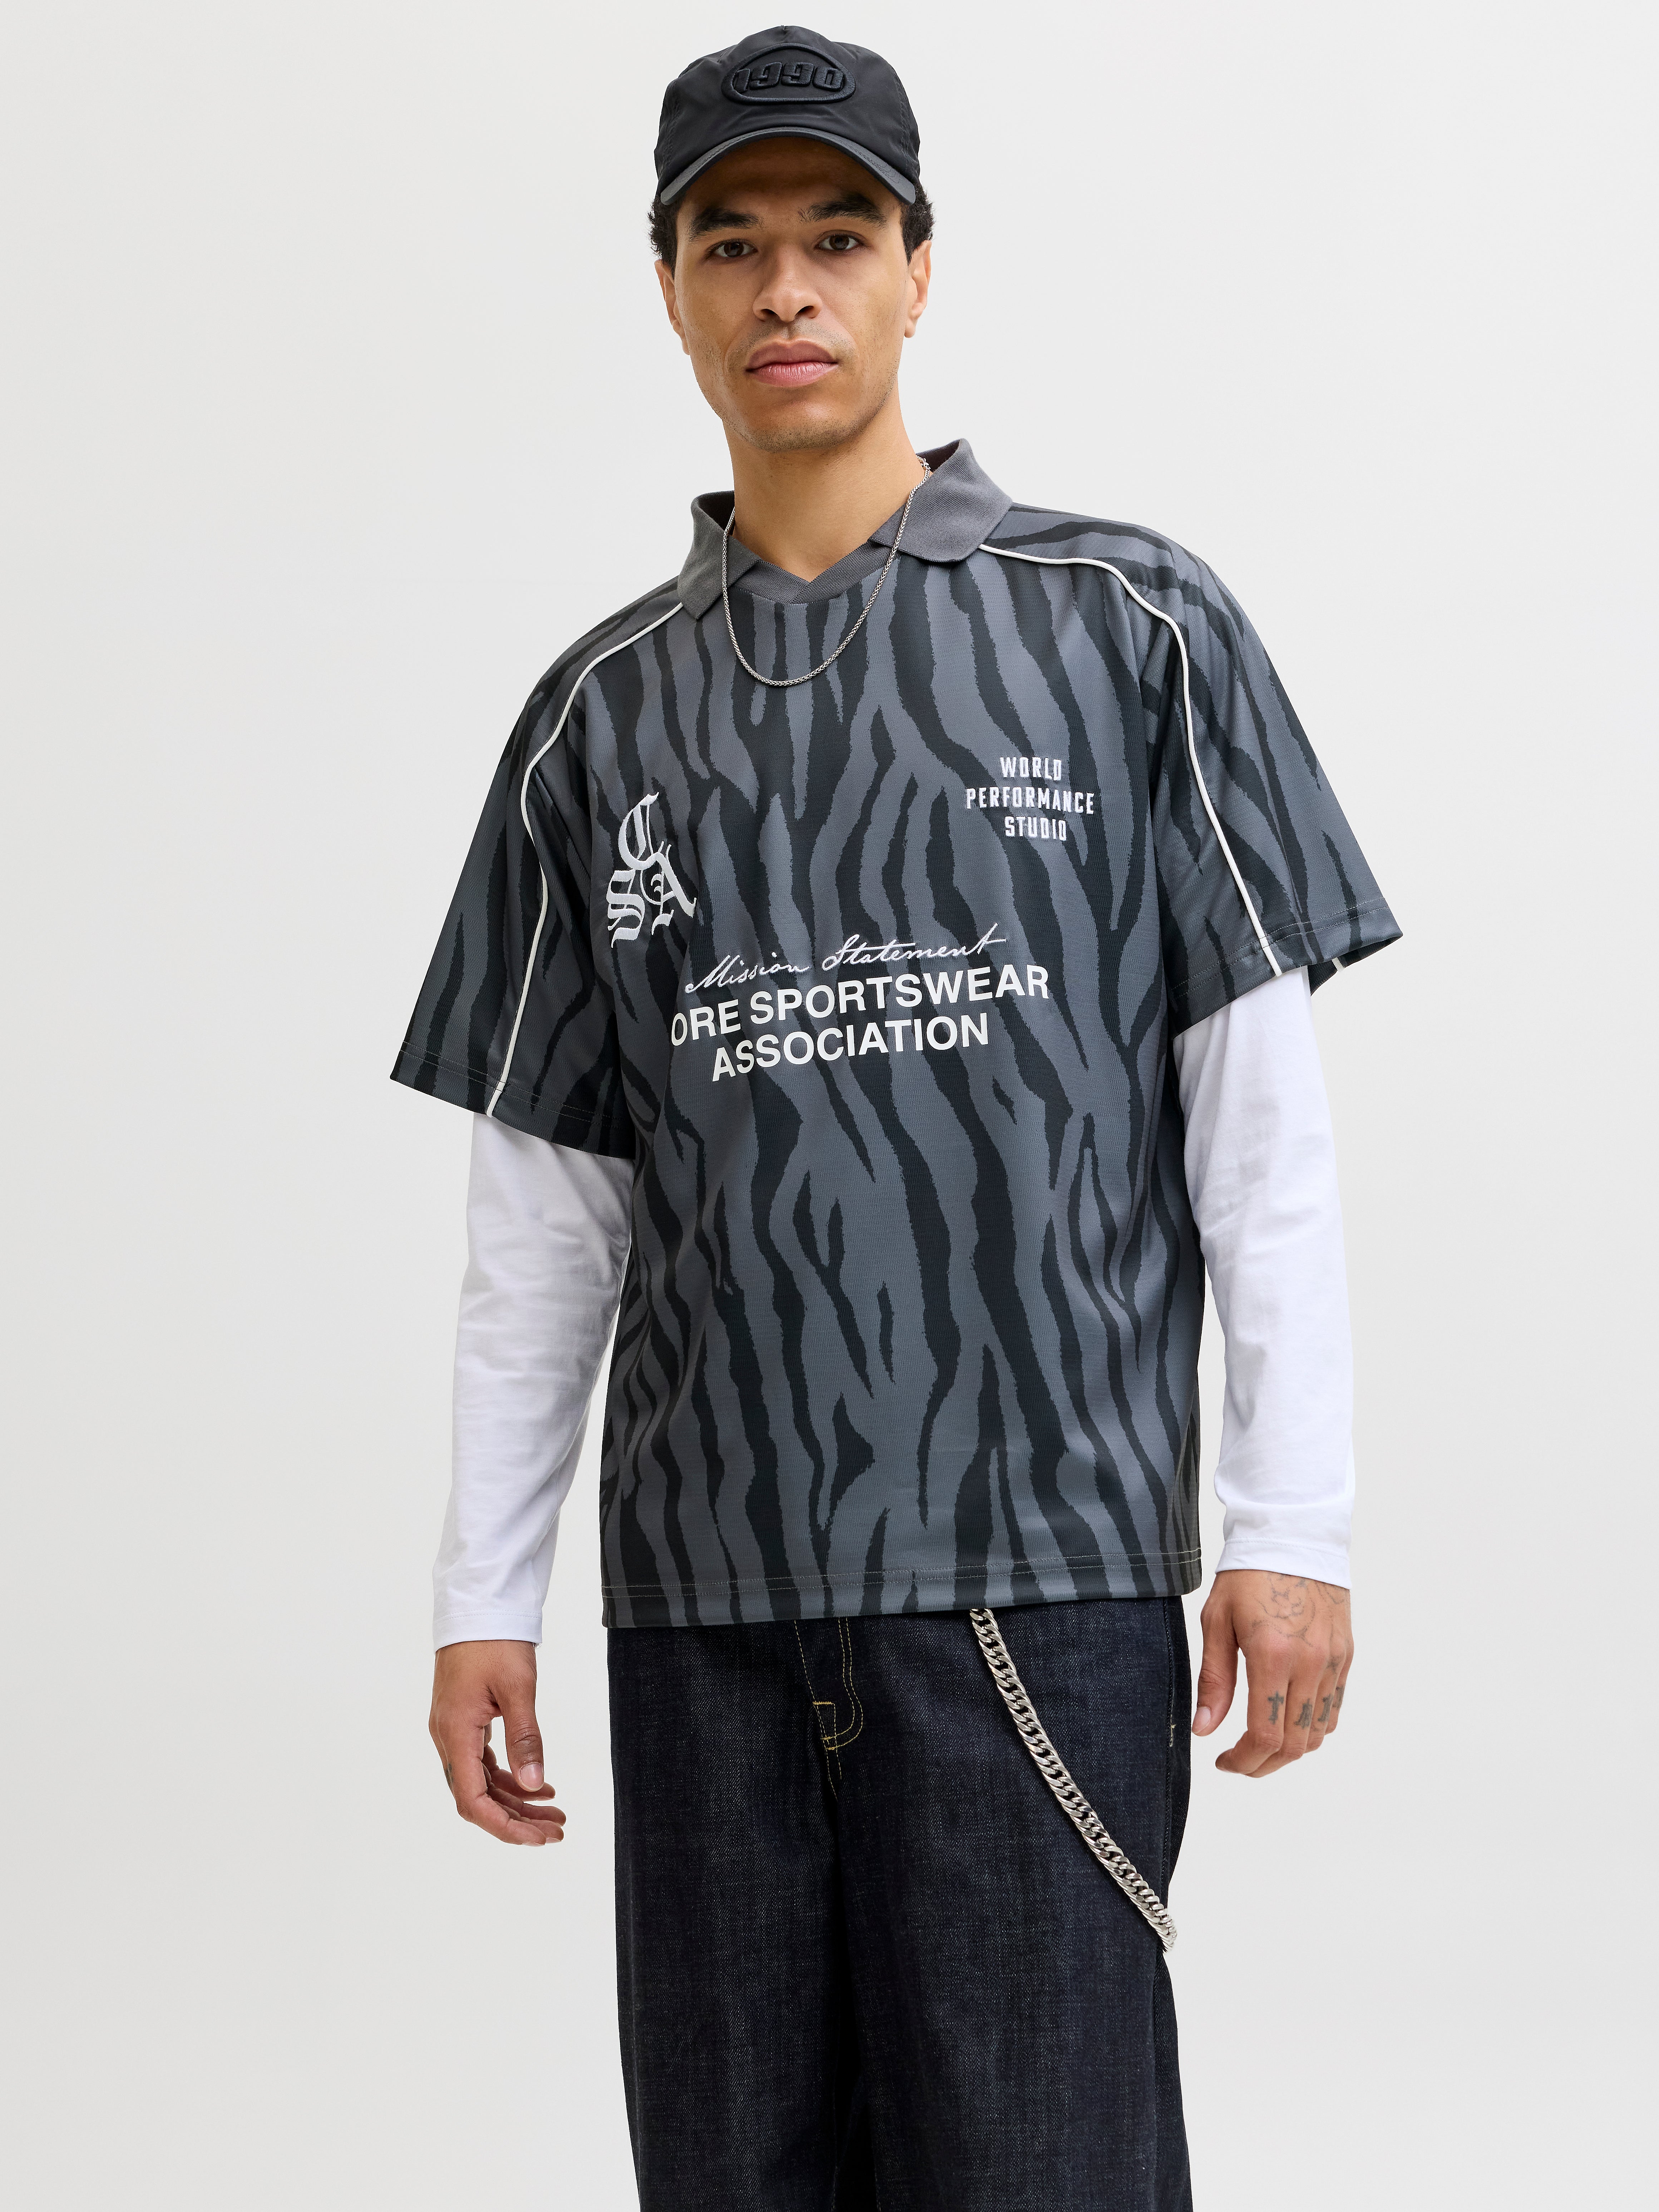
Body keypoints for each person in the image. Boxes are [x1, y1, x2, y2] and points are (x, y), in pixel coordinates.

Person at [392, 25, 1399, 2209]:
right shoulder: (592, 722)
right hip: (704, 1604)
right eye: (729, 243)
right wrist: (485, 1592)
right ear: (668, 289)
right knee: (735, 2177)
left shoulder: (1127, 627)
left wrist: (1290, 1528)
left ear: (917, 271)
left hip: (1036, 1580)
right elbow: (547, 1217)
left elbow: (1256, 1134)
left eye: (836, 236)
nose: (785, 287)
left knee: (1044, 2169)